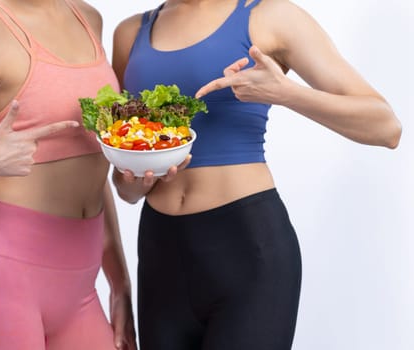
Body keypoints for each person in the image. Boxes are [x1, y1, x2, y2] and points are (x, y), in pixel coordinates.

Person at [110, 0, 402, 349]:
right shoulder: (130, 34)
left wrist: (287, 94)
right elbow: (124, 187)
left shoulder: (268, 16)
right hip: (161, 252)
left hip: (246, 249)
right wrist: (133, 181)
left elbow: (385, 127)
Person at [0, 0, 136, 349]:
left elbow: (94, 163)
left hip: (80, 290)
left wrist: (120, 284)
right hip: (2, 284)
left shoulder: (88, 18)